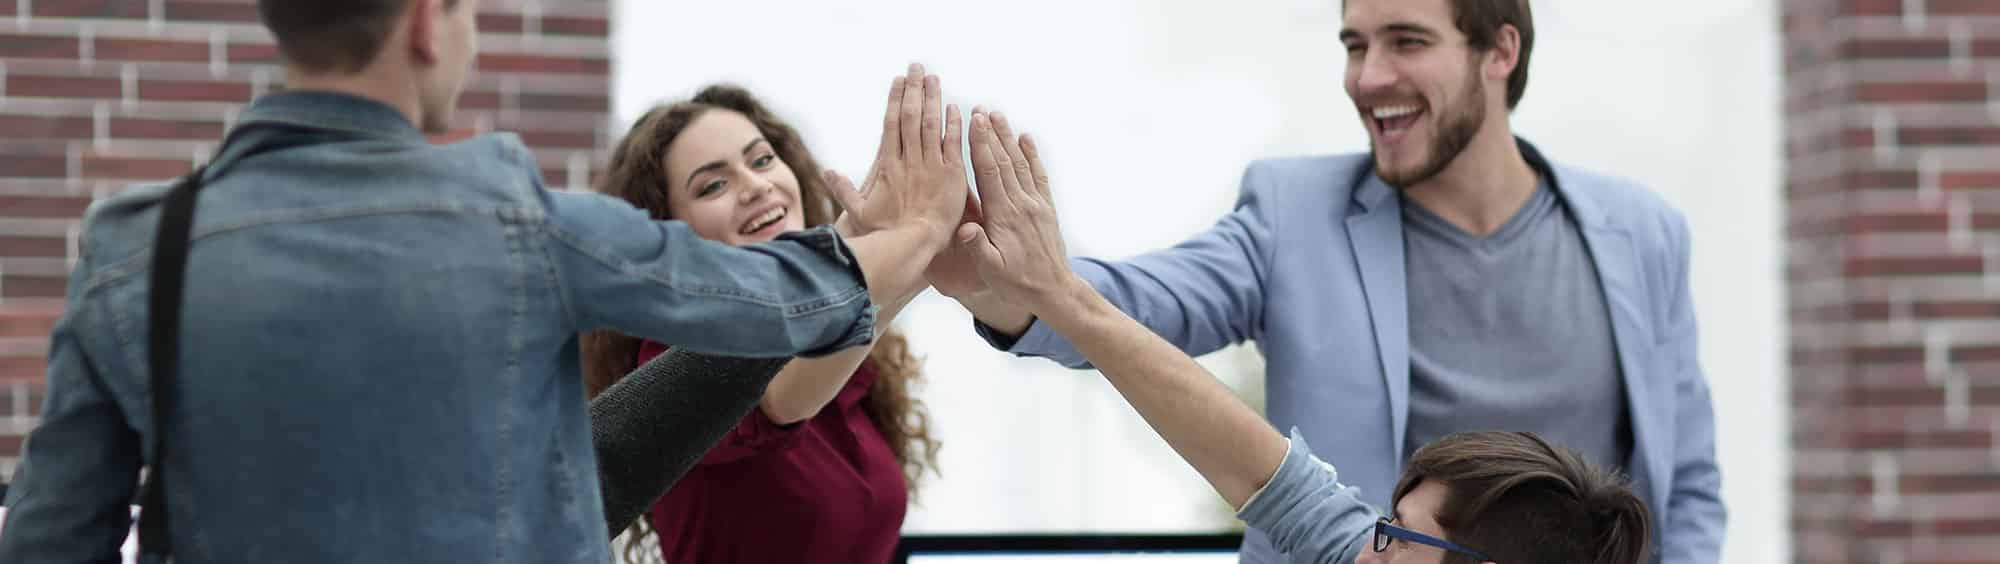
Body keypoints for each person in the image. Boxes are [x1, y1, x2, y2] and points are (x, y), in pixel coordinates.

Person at [0, 0, 971, 560]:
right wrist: (914, 229)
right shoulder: (511, 215)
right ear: (426, 22)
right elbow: (763, 303)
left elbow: (48, 544)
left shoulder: (136, 254)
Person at [927, 0, 1723, 561]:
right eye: (1353, 44)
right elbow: (1140, 309)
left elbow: (1684, 484)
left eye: (1406, 41)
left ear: (1499, 52)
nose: (1368, 77)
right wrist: (1003, 286)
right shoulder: (1293, 214)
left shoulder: (1640, 232)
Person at [581, 85, 940, 564]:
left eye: (763, 160)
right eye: (713, 186)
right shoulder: (667, 355)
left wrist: (898, 243)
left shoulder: (857, 351)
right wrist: (916, 243)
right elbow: (780, 397)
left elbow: (834, 297)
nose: (755, 185)